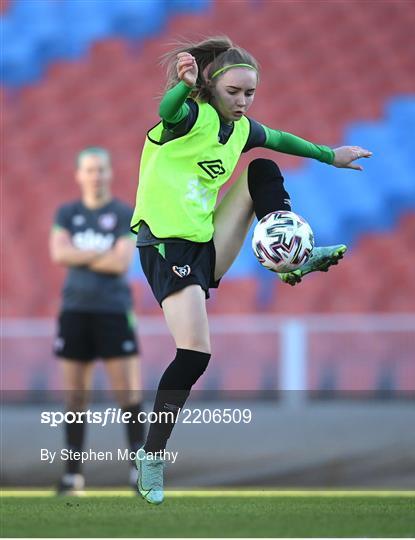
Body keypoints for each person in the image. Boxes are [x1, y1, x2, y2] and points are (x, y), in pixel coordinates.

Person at [131, 36, 372, 504]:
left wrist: (330, 155)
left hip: (206, 241)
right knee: (195, 356)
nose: (242, 101)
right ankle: (152, 455)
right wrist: (182, 88)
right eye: (235, 92)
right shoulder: (189, 117)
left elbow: (281, 139)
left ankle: (288, 255)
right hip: (165, 245)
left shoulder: (240, 129)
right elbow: (166, 110)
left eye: (250, 93)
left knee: (262, 169)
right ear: (211, 86)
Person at [50, 147, 144, 495]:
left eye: (101, 169)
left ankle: (139, 472)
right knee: (75, 397)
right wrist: (99, 254)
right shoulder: (67, 212)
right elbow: (58, 253)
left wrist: (79, 254)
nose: (96, 175)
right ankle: (73, 475)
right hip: (74, 312)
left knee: (128, 394)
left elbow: (120, 263)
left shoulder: (123, 212)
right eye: (90, 170)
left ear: (109, 173)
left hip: (114, 311)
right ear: (79, 175)